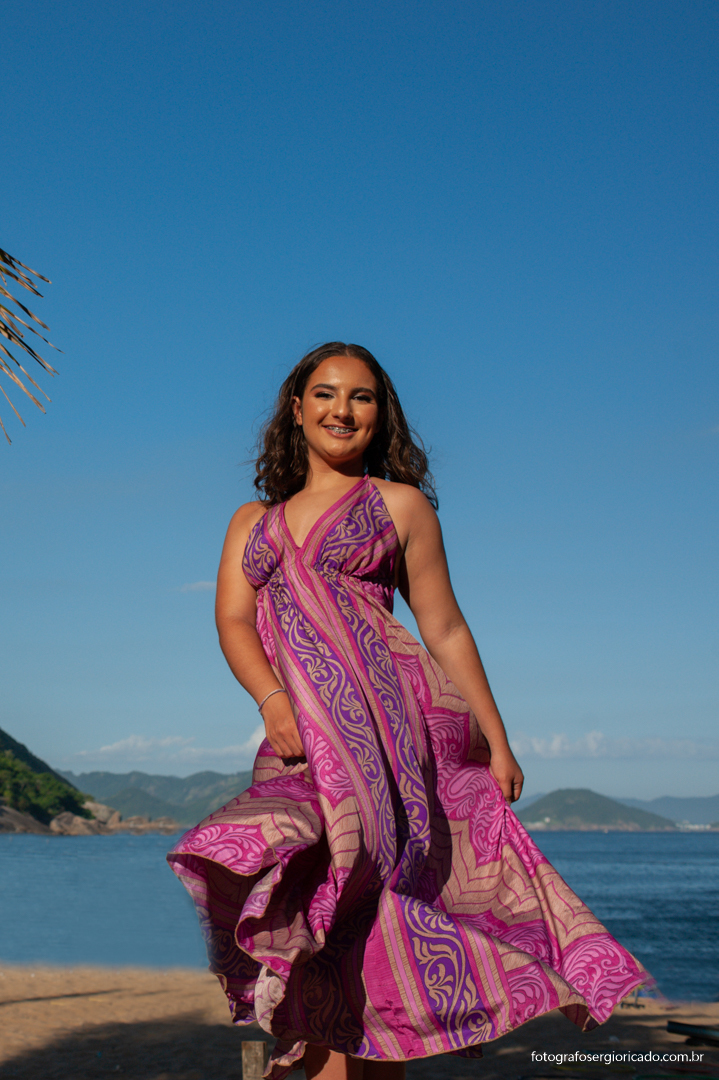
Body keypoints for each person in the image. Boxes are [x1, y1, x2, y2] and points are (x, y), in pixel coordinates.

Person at [168, 343, 650, 1080]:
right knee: (299, 881)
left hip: (385, 750)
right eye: (324, 394)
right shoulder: (252, 521)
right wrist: (271, 701)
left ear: (379, 414)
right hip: (296, 739)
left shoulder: (398, 506)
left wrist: (496, 737)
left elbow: (444, 628)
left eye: (361, 398)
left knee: (367, 924)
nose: (341, 410)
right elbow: (233, 621)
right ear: (295, 411)